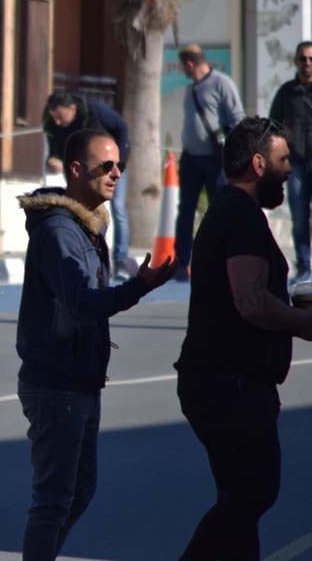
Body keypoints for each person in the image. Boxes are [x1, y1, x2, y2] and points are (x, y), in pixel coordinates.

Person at [15, 128, 174, 560]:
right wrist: (139, 285)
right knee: (53, 501)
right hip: (57, 385)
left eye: (119, 165)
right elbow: (82, 303)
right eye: (106, 166)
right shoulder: (61, 233)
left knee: (79, 492)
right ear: (76, 169)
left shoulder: (87, 227)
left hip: (80, 381)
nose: (116, 173)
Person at [175, 116, 312, 560]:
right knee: (252, 492)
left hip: (225, 381)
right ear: (258, 163)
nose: (290, 168)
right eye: (283, 158)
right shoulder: (240, 215)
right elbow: (250, 301)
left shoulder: (233, 211)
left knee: (243, 499)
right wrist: (304, 323)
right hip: (229, 384)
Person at [43, 90, 132, 280]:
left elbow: (122, 127)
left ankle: (121, 259)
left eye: (61, 117)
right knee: (81, 208)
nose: (58, 122)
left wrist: (119, 163)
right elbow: (54, 150)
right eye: (54, 118)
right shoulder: (53, 124)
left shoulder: (95, 110)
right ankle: (87, 254)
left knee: (118, 208)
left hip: (109, 163)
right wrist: (53, 160)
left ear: (72, 109)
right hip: (83, 170)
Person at [174, 44, 245, 281]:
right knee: (185, 212)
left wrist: (234, 154)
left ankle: (218, 262)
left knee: (218, 212)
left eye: (182, 65)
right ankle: (182, 263)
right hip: (190, 159)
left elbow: (237, 119)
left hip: (215, 161)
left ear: (190, 64)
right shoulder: (191, 88)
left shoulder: (222, 83)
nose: (181, 70)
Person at [269, 41, 312, 283]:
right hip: (295, 165)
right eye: (302, 59)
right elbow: (273, 125)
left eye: (310, 59)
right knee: (299, 218)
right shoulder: (287, 92)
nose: (307, 63)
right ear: (296, 62)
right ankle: (304, 265)